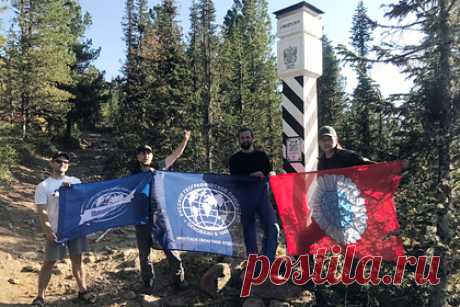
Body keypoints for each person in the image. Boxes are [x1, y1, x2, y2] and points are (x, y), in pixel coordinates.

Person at [31, 152, 95, 307]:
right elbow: (41, 210)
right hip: (56, 229)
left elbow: (84, 202)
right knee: (49, 262)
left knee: (77, 260)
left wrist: (73, 190)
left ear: (68, 165)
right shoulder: (43, 186)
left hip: (74, 228)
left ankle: (82, 290)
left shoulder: (75, 181)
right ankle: (40, 297)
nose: (62, 164)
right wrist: (47, 230)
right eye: (59, 161)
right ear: (52, 163)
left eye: (65, 162)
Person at [132, 130, 191, 292]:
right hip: (141, 218)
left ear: (151, 156)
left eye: (148, 153)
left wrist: (185, 139)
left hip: (161, 216)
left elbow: (175, 156)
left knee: (171, 249)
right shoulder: (133, 174)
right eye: (142, 153)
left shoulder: (158, 168)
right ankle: (147, 283)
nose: (146, 156)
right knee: (144, 255)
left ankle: (179, 281)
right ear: (137, 157)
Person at [229, 127, 279, 264]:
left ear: (252, 138)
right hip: (244, 198)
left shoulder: (261, 155)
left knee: (273, 226)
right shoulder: (234, 159)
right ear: (239, 140)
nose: (245, 140)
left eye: (247, 137)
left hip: (262, 196)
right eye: (242, 138)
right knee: (249, 232)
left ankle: (269, 260)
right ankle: (254, 263)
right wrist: (252, 175)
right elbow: (234, 179)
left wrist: (272, 175)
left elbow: (269, 172)